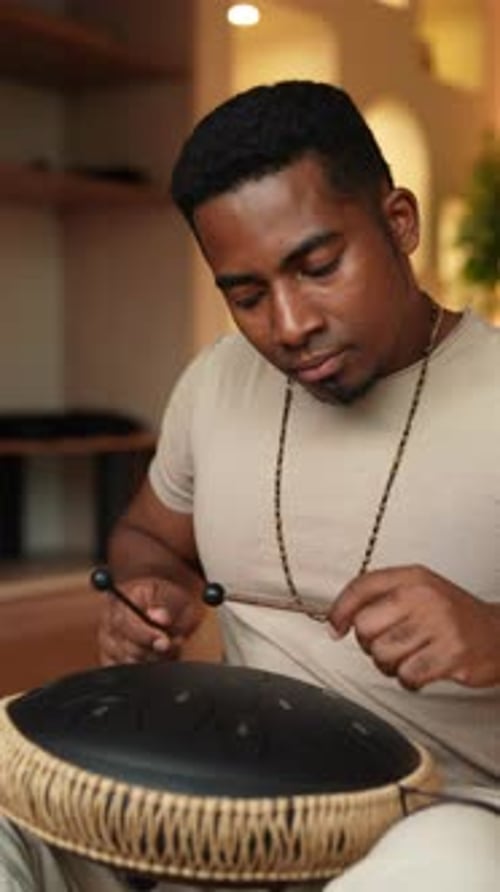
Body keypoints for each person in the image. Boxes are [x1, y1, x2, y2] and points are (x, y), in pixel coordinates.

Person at [0, 81, 498, 890]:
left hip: (445, 816)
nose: (290, 323)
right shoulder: (216, 381)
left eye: (320, 266)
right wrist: (148, 590)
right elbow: (150, 537)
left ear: (398, 222)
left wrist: (491, 633)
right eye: (247, 294)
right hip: (212, 797)